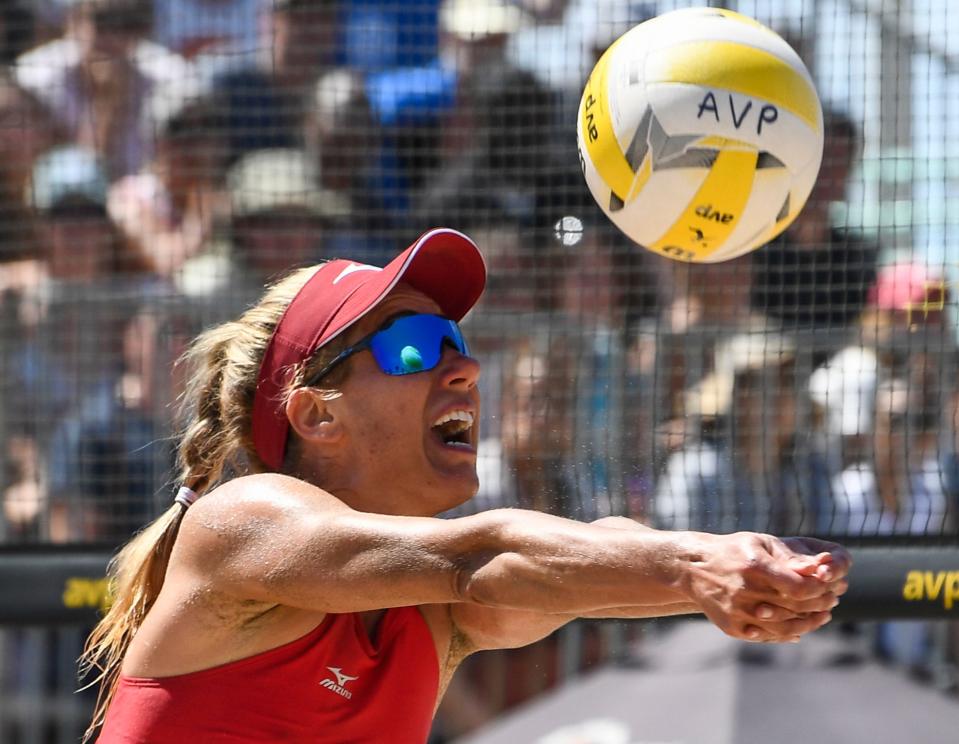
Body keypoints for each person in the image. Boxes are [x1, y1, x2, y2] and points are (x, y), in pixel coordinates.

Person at [81, 228, 850, 742]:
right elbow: (485, 554)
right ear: (316, 414)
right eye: (415, 346)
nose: (465, 366)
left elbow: (592, 557)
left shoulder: (431, 614)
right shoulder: (238, 522)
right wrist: (694, 568)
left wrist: (739, 570)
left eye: (457, 339)